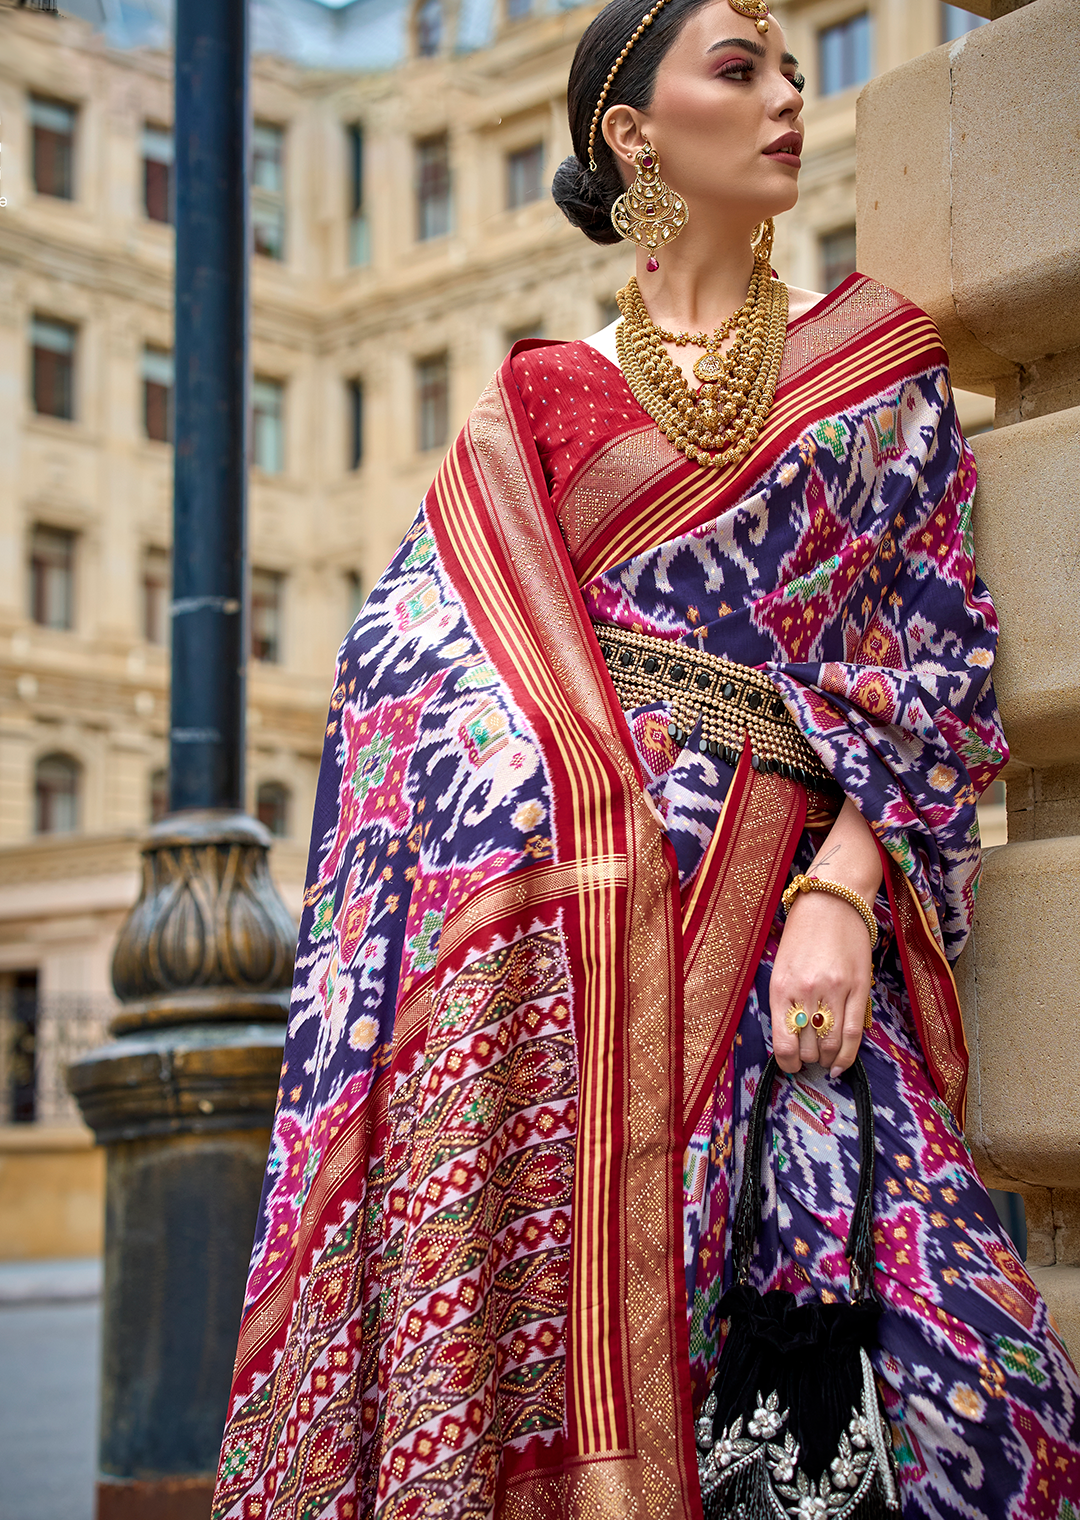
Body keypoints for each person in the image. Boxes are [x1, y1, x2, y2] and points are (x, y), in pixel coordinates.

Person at [212, 0, 1080, 1516]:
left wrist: (845, 891)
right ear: (633, 133)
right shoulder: (540, 399)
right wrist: (546, 791)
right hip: (565, 966)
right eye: (738, 71)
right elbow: (405, 666)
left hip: (788, 929)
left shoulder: (876, 361)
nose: (791, 98)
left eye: (794, 69)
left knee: (969, 1388)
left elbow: (938, 655)